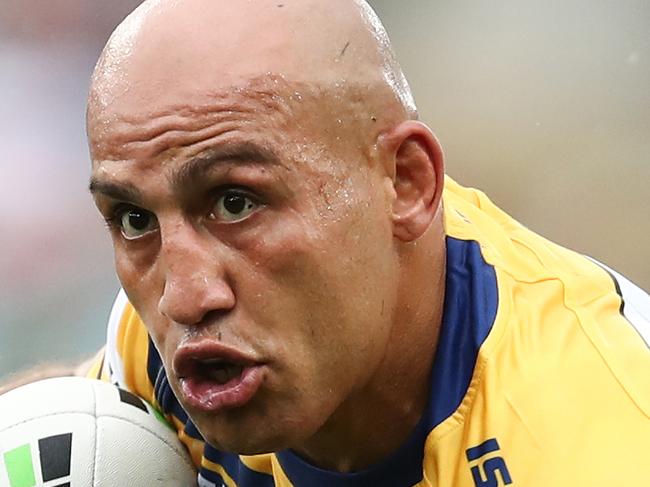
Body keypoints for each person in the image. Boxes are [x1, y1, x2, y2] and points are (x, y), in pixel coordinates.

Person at [14, 0, 650, 485]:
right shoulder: (167, 351)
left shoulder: (597, 437)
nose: (183, 297)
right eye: (133, 219)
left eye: (236, 203)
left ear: (405, 183)